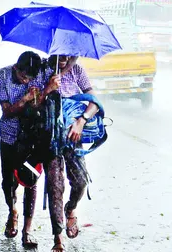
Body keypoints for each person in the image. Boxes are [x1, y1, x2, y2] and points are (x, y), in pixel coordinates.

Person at [0, 51, 61, 248]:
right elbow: (7, 112)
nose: (26, 80)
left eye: (30, 78)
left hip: (33, 137)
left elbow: (62, 63)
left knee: (31, 180)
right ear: (16, 68)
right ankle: (12, 210)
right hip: (10, 135)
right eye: (23, 76)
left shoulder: (41, 73)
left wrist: (52, 84)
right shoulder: (0, 76)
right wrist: (26, 98)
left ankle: (27, 230)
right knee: (9, 181)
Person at [41, 55, 100, 251]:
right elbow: (32, 102)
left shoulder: (77, 70)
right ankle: (58, 237)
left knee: (81, 181)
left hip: (74, 138)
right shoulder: (41, 71)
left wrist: (81, 120)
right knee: (55, 187)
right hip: (50, 138)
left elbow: (94, 101)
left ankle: (71, 208)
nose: (64, 57)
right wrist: (48, 88)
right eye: (60, 53)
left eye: (68, 52)